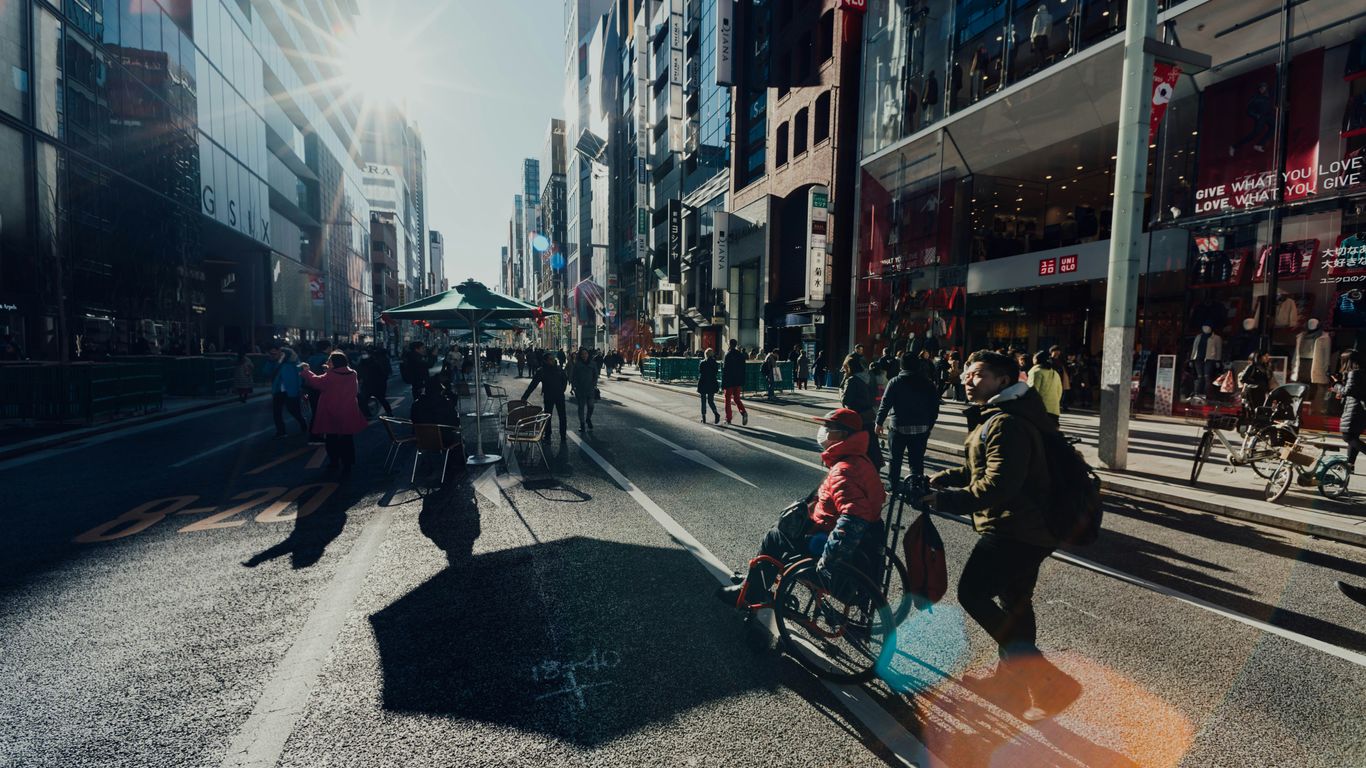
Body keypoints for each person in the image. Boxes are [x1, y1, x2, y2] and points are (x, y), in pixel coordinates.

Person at [925, 350, 1068, 707]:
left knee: (972, 593)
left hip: (1015, 527)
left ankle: (1041, 676)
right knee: (1016, 602)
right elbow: (987, 467)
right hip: (1033, 526)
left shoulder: (1007, 422)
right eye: (967, 373)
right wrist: (947, 477)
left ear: (1002, 380)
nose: (967, 379)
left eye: (977, 374)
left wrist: (945, 501)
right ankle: (1012, 687)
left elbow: (999, 485)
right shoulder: (1006, 413)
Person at [716, 408, 887, 606]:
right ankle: (754, 580)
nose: (823, 431)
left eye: (828, 427)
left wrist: (828, 562)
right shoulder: (861, 460)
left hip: (828, 541)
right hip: (852, 535)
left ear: (842, 434)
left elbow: (853, 519)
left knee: (775, 536)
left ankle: (751, 592)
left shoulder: (844, 470)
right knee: (788, 523)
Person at [300, 352, 369, 478]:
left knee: (331, 438)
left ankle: (334, 462)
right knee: (347, 439)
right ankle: (347, 464)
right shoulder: (352, 373)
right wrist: (329, 370)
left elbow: (316, 382)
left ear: (335, 363)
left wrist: (306, 371)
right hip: (348, 410)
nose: (327, 363)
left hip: (331, 410)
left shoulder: (330, 376)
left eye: (329, 361)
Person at [876, 354, 941, 488]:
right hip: (921, 428)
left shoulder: (895, 382)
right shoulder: (928, 383)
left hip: (898, 427)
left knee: (895, 459)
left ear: (901, 366)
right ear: (918, 366)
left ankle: (893, 484)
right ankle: (916, 487)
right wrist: (929, 426)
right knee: (917, 461)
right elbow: (934, 408)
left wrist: (879, 422)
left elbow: (885, 404)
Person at [840, 354, 884, 470]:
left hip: (856, 418)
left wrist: (842, 388)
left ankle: (859, 472)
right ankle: (873, 471)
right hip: (870, 415)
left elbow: (845, 400)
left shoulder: (852, 380)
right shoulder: (870, 376)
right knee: (871, 447)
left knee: (857, 448)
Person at [264, 345, 308, 437]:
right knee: (276, 412)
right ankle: (281, 431)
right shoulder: (274, 362)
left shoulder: (293, 361)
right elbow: (266, 372)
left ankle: (302, 421)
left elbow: (300, 375)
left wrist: (300, 388)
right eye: (271, 353)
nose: (273, 355)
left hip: (291, 390)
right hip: (278, 390)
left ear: (280, 352)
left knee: (293, 410)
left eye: (274, 353)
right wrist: (270, 361)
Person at [523, 352, 569, 438]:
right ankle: (547, 435)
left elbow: (565, 379)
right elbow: (532, 385)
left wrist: (562, 389)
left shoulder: (559, 368)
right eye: (550, 359)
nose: (553, 361)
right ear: (545, 361)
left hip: (559, 396)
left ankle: (563, 435)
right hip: (548, 396)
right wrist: (525, 397)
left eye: (553, 359)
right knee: (548, 416)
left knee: (562, 416)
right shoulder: (541, 371)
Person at [410, 375, 462, 448]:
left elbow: (414, 421)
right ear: (440, 389)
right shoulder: (445, 403)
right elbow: (455, 422)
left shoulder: (415, 405)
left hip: (421, 440)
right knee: (459, 436)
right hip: (444, 440)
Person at [1337, 350, 1363, 473]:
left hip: (1355, 409)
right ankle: (1349, 465)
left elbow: (1349, 391)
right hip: (1360, 409)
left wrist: (1336, 386)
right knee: (1354, 436)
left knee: (1348, 436)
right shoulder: (1360, 372)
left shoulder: (1354, 373)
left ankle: (1349, 464)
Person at [567, 347, 599, 432]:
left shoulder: (593, 364)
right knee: (581, 407)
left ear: (588, 354)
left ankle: (588, 418)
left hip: (590, 389)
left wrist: (594, 384)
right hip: (580, 389)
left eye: (586, 354)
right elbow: (573, 376)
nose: (584, 355)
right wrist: (574, 386)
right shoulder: (577, 364)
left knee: (591, 406)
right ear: (580, 356)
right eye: (582, 354)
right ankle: (582, 424)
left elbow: (595, 375)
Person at [1026, 350, 1063, 424]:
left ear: (1037, 359)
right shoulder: (1055, 373)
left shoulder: (1036, 372)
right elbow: (1059, 391)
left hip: (1039, 410)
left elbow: (1032, 391)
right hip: (1054, 409)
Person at [358, 346, 394, 417]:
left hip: (372, 384)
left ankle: (368, 414)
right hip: (373, 384)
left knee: (367, 399)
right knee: (380, 399)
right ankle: (388, 412)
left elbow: (361, 371)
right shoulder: (371, 361)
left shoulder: (372, 362)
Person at [721, 339, 749, 426]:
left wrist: (723, 384)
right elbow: (743, 369)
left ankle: (728, 418)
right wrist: (742, 381)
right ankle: (743, 412)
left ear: (730, 344)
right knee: (737, 399)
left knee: (728, 400)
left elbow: (725, 370)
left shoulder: (728, 354)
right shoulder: (740, 355)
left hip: (729, 381)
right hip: (738, 381)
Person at [696, 348, 722, 423]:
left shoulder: (702, 363)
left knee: (703, 401)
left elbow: (700, 371)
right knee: (711, 401)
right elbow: (716, 372)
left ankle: (704, 417)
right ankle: (716, 413)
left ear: (705, 354)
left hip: (703, 382)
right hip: (712, 383)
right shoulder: (715, 363)